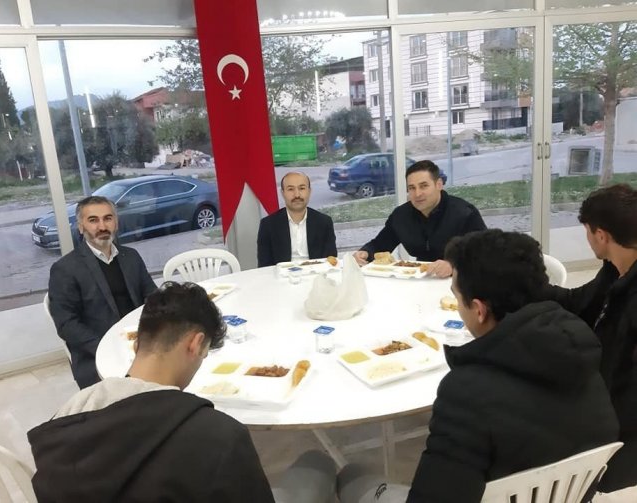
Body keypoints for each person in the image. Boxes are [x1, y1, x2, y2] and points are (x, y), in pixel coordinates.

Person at [407, 229, 618, 502]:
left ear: (479, 309)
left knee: (360, 480)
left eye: (457, 298)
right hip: (572, 494)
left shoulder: (465, 392)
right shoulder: (583, 350)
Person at [28, 282, 276, 502]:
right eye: (205, 353)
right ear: (196, 344)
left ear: (137, 343)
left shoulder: (68, 415)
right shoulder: (221, 437)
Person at [544, 184, 637, 495]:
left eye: (586, 231)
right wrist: (525, 285)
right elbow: (579, 303)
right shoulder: (615, 270)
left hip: (615, 429)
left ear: (601, 235)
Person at [48, 195, 156, 389]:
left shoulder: (131, 256)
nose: (102, 226)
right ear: (81, 227)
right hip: (97, 352)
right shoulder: (65, 269)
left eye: (108, 218)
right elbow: (66, 324)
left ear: (116, 223)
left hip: (142, 342)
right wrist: (107, 347)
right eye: (93, 220)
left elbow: (153, 297)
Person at [353, 160, 485, 278]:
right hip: (420, 279)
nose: (417, 194)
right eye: (412, 188)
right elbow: (381, 244)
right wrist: (365, 253)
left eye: (424, 186)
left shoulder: (464, 213)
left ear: (439, 184)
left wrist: (453, 265)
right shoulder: (401, 215)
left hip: (460, 282)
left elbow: (485, 254)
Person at [257, 171, 337, 267]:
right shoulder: (268, 224)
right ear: (283, 193)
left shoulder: (324, 222)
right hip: (281, 275)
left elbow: (331, 260)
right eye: (290, 189)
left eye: (302, 188)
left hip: (316, 273)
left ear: (309, 191)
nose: (297, 195)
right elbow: (264, 265)